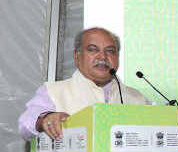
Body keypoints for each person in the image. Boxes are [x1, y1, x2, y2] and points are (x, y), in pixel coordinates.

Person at [18, 27, 150, 141]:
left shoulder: (136, 97)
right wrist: (45, 119)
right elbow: (25, 124)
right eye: (93, 50)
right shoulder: (55, 91)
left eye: (110, 51)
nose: (103, 57)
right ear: (76, 57)